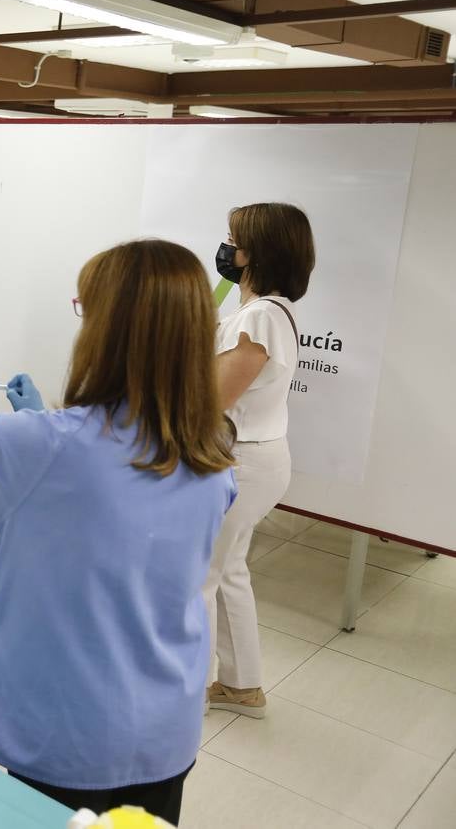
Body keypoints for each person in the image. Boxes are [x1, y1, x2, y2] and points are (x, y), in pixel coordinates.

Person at [0, 239, 237, 824]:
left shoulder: (45, 449)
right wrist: (38, 424)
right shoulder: (213, 452)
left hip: (69, 736)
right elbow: (109, 512)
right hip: (163, 729)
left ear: (109, 331)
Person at [203, 203, 316, 718]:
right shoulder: (264, 311)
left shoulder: (262, 316)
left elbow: (213, 398)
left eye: (233, 239)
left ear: (257, 253)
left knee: (197, 578)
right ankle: (241, 685)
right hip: (252, 459)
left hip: (239, 462)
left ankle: (184, 697)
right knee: (228, 571)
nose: (227, 248)